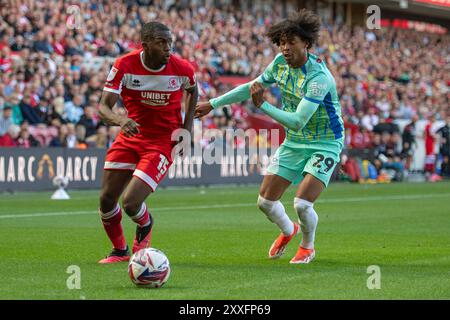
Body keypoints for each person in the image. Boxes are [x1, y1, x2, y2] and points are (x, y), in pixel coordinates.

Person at [196, 9, 344, 264]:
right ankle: (289, 231)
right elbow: (251, 87)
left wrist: (262, 105)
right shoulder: (279, 63)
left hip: (325, 142)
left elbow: (298, 121)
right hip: (295, 143)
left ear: (306, 43)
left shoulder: (319, 78)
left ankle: (307, 247)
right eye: (282, 43)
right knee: (265, 202)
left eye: (291, 42)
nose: (285, 48)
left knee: (302, 204)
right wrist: (213, 103)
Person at [97, 21, 198, 263]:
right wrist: (120, 121)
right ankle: (120, 251)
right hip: (131, 135)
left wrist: (187, 130)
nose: (168, 48)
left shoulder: (182, 68)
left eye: (170, 42)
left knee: (131, 202)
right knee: (106, 200)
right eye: (162, 42)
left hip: (163, 141)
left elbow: (193, 91)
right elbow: (103, 107)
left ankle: (145, 223)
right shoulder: (124, 65)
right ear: (145, 45)